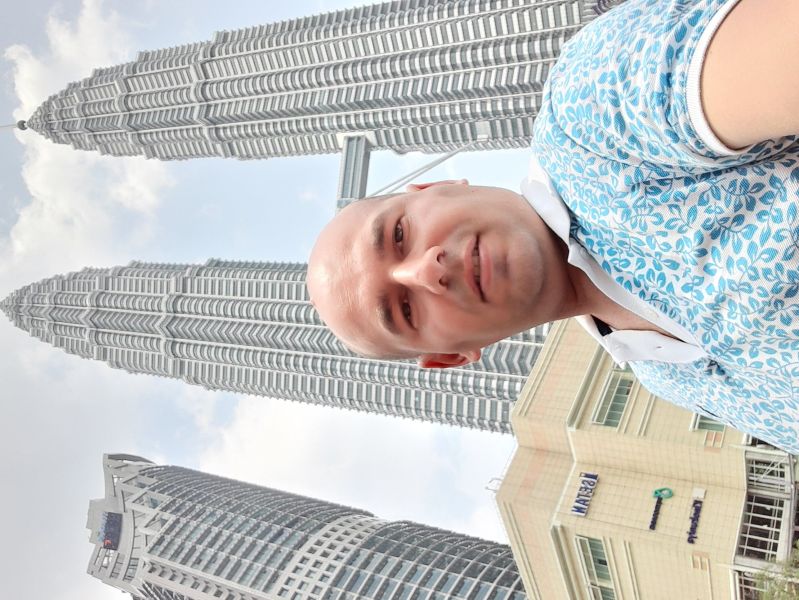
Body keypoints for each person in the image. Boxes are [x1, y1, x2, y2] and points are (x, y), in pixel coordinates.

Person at [308, 0, 799, 453]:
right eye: (405, 310)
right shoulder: (667, 379)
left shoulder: (589, 113)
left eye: (398, 235)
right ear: (451, 356)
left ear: (436, 185)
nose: (425, 271)